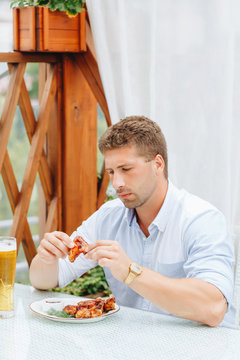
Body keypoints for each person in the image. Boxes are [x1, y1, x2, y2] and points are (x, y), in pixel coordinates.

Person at [30, 116, 235, 327]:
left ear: (157, 164)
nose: (117, 183)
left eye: (126, 169)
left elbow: (213, 308)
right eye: (111, 172)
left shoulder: (201, 220)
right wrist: (47, 260)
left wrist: (130, 272)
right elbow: (43, 281)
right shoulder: (108, 217)